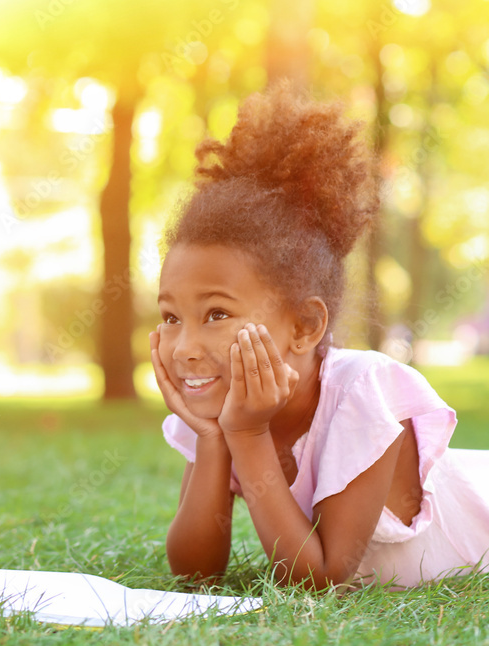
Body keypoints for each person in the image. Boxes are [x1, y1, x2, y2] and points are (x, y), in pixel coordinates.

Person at [150, 80, 489, 590]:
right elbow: (195, 573)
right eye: (171, 318)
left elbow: (322, 581)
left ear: (305, 326)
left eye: (216, 314)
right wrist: (215, 440)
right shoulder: (223, 413)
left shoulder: (362, 392)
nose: (185, 348)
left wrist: (246, 435)